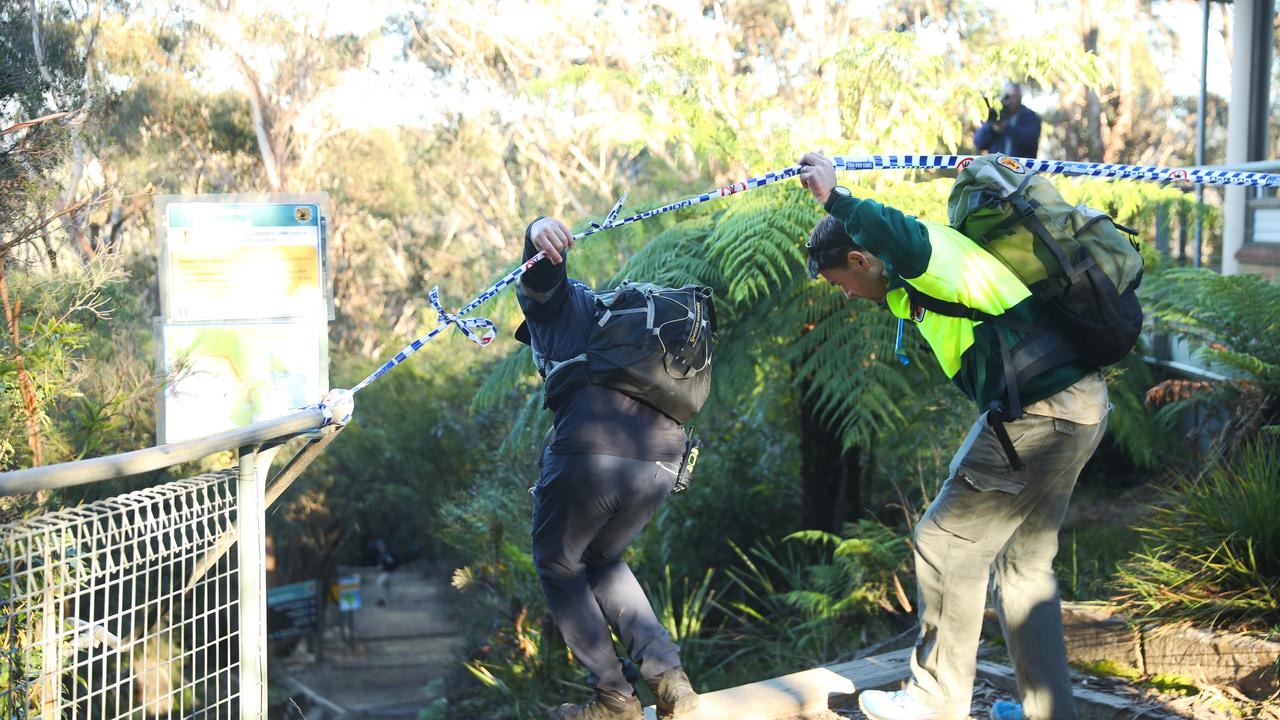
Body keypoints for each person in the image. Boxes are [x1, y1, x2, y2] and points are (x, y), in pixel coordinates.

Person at [796, 152, 1108, 720]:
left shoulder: (923, 256)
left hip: (1040, 415)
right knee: (1023, 566)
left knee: (943, 543)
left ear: (861, 260)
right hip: (1079, 406)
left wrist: (833, 198)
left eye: (839, 282)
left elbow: (897, 232)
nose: (843, 294)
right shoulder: (911, 282)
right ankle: (1048, 711)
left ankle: (933, 700)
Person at [514, 216, 700, 720]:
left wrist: (537, 231)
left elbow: (541, 278)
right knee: (600, 558)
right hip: (665, 459)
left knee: (557, 561)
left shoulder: (557, 309)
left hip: (593, 451)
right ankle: (671, 683)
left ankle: (614, 698)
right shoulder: (624, 335)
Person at [974, 82, 1041, 158]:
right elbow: (979, 143)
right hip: (997, 168)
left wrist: (1006, 128)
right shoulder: (997, 115)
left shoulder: (1030, 117)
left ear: (1020, 97)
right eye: (1007, 97)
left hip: (1022, 168)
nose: (1010, 101)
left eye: (1014, 97)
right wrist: (991, 128)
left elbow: (1030, 141)